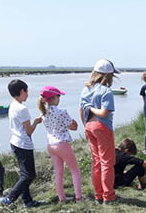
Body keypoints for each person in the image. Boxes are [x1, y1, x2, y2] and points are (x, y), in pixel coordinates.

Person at [80, 59, 119, 204]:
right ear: (108, 76)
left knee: (96, 162)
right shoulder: (106, 91)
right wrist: (91, 108)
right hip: (102, 126)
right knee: (107, 163)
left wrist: (85, 123)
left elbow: (80, 110)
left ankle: (98, 195)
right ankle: (108, 197)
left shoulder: (86, 89)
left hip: (89, 125)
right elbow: (104, 113)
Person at [1, 79, 43, 207]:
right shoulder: (22, 109)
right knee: (29, 175)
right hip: (23, 144)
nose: (28, 94)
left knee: (24, 174)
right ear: (21, 91)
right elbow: (29, 131)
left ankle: (28, 201)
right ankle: (9, 198)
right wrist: (36, 122)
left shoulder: (12, 105)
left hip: (15, 142)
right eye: (27, 91)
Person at [38, 86, 82, 203]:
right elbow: (73, 127)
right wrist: (75, 124)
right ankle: (79, 197)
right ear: (53, 98)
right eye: (59, 96)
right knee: (75, 170)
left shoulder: (43, 114)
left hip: (51, 145)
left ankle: (62, 198)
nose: (60, 98)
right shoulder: (62, 112)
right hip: (62, 144)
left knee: (58, 173)